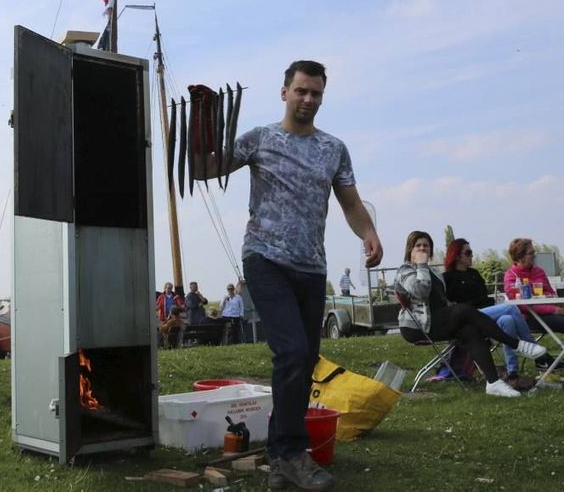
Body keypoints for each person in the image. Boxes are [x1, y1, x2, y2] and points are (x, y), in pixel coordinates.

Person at [203, 61, 383, 490]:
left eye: (316, 93)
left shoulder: (333, 148)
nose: (308, 100)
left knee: (303, 363)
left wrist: (369, 233)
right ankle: (289, 452)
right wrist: (200, 137)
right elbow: (204, 169)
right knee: (292, 353)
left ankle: (283, 459)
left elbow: (351, 203)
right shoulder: (261, 139)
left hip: (310, 267)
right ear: (284, 92)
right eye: (301, 91)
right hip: (264, 259)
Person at [395, 230, 546, 397]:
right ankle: (516, 345)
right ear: (410, 249)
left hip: (437, 322)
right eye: (418, 246)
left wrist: (449, 305)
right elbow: (420, 292)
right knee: (464, 309)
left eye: (426, 246)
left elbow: (440, 300)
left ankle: (493, 383)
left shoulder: (435, 274)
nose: (423, 249)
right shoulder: (405, 270)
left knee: (470, 331)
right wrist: (421, 265)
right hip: (416, 326)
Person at [444, 238, 551, 381]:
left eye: (471, 252)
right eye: (468, 253)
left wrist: (480, 303)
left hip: (483, 314)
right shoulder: (447, 278)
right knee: (511, 308)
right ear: (456, 255)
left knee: (508, 320)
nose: (471, 256)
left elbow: (485, 299)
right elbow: (453, 305)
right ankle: (539, 355)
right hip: (466, 318)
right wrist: (473, 304)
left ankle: (512, 371)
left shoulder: (474, 274)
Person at [504, 238, 564, 333]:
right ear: (520, 256)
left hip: (550, 313)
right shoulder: (511, 276)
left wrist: (558, 306)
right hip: (529, 317)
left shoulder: (539, 271)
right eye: (531, 253)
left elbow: (551, 293)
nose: (534, 256)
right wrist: (554, 310)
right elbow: (520, 305)